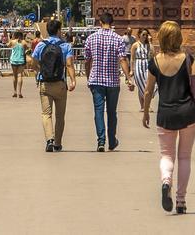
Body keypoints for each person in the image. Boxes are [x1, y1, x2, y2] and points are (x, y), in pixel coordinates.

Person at [141, 21, 195, 214]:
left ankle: (166, 181)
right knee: (184, 157)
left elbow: (148, 91)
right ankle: (181, 201)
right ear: (178, 38)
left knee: (167, 155)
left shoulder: (155, 61)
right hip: (188, 113)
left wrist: (145, 112)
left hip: (165, 114)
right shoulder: (187, 59)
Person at [83, 12, 134, 152]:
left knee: (98, 111)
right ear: (112, 23)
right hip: (112, 82)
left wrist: (89, 77)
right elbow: (122, 59)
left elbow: (87, 61)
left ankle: (101, 141)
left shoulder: (91, 38)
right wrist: (129, 79)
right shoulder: (118, 39)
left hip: (96, 81)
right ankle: (112, 141)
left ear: (100, 22)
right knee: (112, 112)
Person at [32, 19, 77, 152]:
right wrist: (73, 80)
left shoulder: (41, 45)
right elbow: (69, 64)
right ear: (58, 31)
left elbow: (33, 63)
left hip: (45, 83)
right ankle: (58, 143)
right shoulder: (66, 46)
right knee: (60, 116)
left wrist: (41, 71)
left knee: (46, 114)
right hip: (60, 84)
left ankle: (49, 140)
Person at [130, 28, 153, 112]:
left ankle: (147, 105)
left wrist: (150, 42)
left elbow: (153, 54)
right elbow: (132, 59)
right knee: (140, 86)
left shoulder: (148, 45)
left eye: (146, 35)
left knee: (148, 85)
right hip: (138, 65)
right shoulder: (135, 45)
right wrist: (131, 70)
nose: (145, 36)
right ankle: (143, 106)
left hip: (147, 65)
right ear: (139, 35)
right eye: (143, 34)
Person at [9, 30, 27, 98]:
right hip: (21, 60)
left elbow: (7, 45)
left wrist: (10, 37)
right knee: (20, 76)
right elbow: (26, 49)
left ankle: (15, 91)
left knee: (14, 76)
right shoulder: (24, 42)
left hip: (13, 60)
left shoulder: (12, 41)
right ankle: (20, 92)